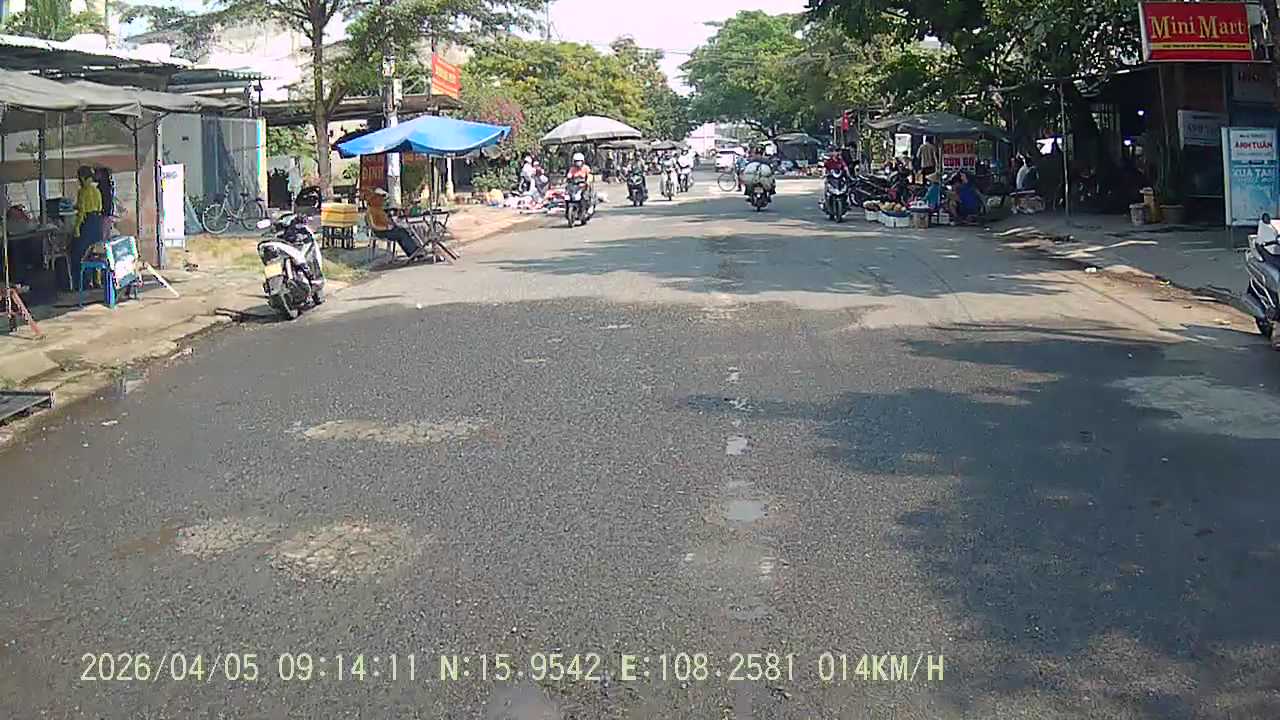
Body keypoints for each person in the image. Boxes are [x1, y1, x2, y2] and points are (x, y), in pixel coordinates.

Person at [366, 187, 424, 259]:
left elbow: (387, 220)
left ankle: (411, 251)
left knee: (403, 231)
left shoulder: (380, 209)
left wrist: (393, 223)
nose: (382, 200)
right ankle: (413, 251)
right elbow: (374, 225)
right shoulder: (371, 211)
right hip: (381, 231)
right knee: (401, 233)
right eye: (380, 198)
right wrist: (386, 227)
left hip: (387, 229)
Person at [70, 165, 103, 289]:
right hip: (97, 223)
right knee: (96, 253)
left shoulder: (83, 192)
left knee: (80, 253)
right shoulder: (96, 190)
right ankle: (97, 280)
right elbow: (99, 207)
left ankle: (83, 282)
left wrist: (77, 228)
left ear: (82, 178)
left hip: (87, 223)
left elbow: (82, 212)